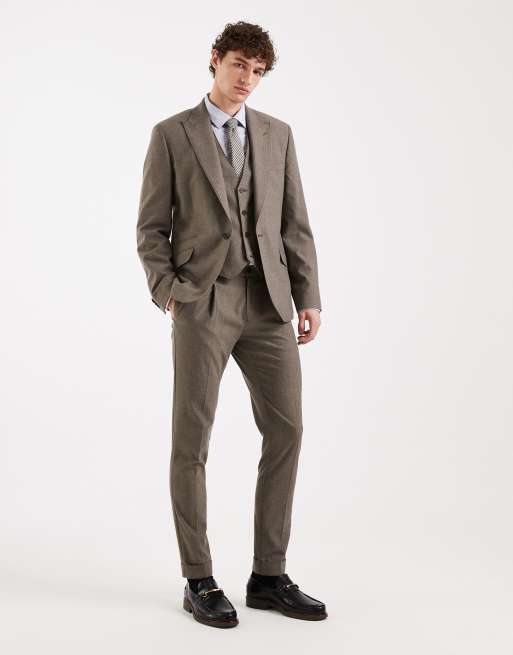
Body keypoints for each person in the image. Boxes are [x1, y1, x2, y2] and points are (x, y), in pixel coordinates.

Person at [136, 20, 327, 628]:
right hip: (204, 301)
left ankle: (269, 575)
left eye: (258, 71)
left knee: (287, 429)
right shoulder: (172, 134)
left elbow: (294, 222)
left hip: (268, 302)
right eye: (240, 64)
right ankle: (199, 577)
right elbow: (151, 228)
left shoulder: (277, 134)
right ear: (215, 60)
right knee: (191, 440)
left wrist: (307, 296)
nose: (248, 79)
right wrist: (171, 293)